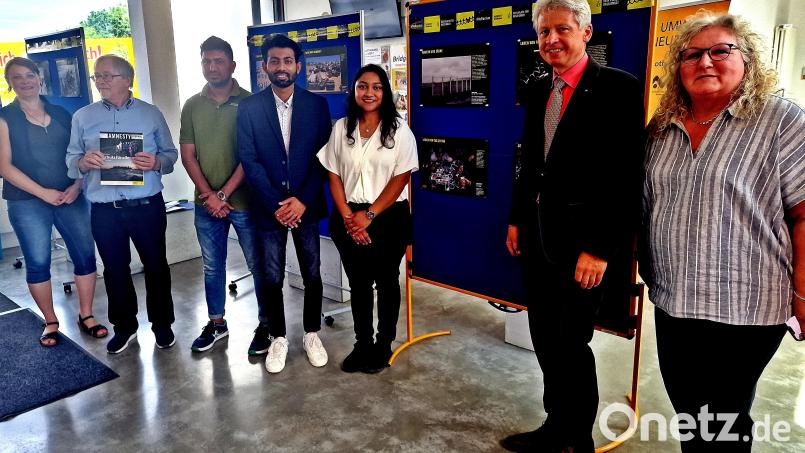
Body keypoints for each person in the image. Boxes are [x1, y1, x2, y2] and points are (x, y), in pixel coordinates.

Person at [642, 13, 804, 452]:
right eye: (692, 54)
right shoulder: (662, 127)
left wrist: (804, 296)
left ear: (747, 58)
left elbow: (804, 215)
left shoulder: (781, 121)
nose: (705, 62)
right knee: (689, 409)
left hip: (746, 304)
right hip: (675, 298)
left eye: (720, 50)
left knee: (726, 413)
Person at [501, 0, 646, 451]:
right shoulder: (539, 86)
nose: (551, 40)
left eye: (562, 29)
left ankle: (576, 439)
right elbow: (531, 164)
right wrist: (516, 219)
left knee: (572, 343)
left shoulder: (618, 88)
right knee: (545, 336)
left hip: (585, 246)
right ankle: (555, 425)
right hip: (538, 238)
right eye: (544, 32)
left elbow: (626, 176)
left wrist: (600, 248)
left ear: (586, 32)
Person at [66, 54, 179, 354]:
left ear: (127, 80)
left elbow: (170, 154)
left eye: (106, 76)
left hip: (146, 206)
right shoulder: (82, 117)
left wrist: (157, 162)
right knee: (115, 270)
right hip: (105, 210)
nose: (100, 81)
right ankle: (125, 326)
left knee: (156, 266)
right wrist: (82, 162)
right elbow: (70, 161)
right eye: (97, 76)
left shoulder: (151, 113)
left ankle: (162, 325)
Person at [237, 34, 332, 374]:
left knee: (312, 273)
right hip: (269, 208)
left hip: (306, 207)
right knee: (272, 276)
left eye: (287, 61)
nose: (281, 67)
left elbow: (324, 157)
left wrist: (302, 201)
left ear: (298, 66)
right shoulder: (249, 108)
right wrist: (279, 203)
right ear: (265, 66)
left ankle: (311, 333)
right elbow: (249, 160)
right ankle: (278, 337)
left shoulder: (316, 106)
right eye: (274, 61)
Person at [318, 64, 418, 374]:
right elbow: (333, 174)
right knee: (359, 284)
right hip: (348, 217)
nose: (369, 92)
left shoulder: (400, 131)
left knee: (387, 282)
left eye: (376, 87)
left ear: (385, 92)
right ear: (355, 90)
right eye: (363, 86)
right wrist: (350, 217)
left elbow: (400, 179)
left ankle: (383, 345)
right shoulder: (341, 128)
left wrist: (369, 216)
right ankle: (362, 344)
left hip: (387, 218)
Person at [0, 57, 106, 346]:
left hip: (70, 195)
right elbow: (4, 167)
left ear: (39, 78)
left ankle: (86, 315)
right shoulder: (5, 118)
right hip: (26, 201)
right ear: (10, 83)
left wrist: (77, 185)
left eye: (29, 75)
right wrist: (43, 192)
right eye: (17, 77)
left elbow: (78, 155)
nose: (25, 81)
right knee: (38, 262)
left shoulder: (61, 113)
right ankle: (50, 321)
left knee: (85, 255)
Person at [180, 36, 271, 355]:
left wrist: (223, 194)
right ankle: (216, 323)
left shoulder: (252, 102)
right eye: (206, 61)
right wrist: (210, 196)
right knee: (212, 266)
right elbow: (188, 155)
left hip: (245, 202)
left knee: (258, 265)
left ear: (232, 65)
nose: (212, 66)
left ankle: (266, 325)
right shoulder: (192, 104)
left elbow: (251, 155)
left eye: (218, 61)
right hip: (206, 205)